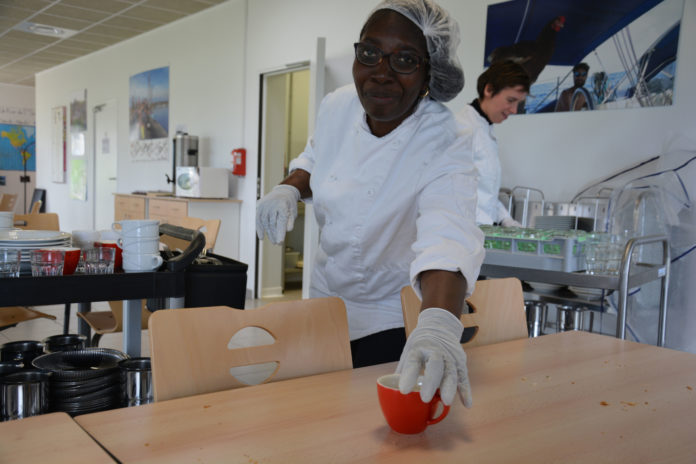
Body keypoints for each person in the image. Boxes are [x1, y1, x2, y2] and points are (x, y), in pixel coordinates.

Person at [256, 0, 484, 408]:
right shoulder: (339, 104)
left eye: (405, 59)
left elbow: (447, 235)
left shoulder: (446, 137)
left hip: (391, 316)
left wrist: (437, 324)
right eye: (370, 53)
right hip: (324, 300)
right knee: (315, 414)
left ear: (431, 74)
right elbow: (316, 157)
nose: (381, 71)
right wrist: (288, 187)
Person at [457, 60, 530, 227]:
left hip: (479, 232)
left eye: (518, 103)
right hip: (462, 233)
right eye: (510, 100)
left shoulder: (484, 128)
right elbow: (451, 193)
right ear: (489, 90)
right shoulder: (462, 129)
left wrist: (506, 218)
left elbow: (484, 193)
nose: (514, 110)